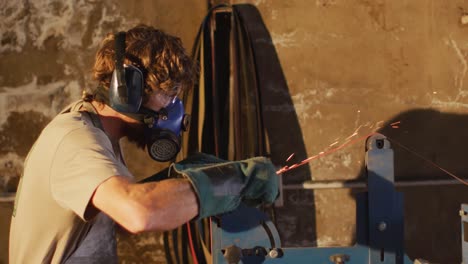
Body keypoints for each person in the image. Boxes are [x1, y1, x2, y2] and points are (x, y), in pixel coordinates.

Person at [9, 24, 279, 263]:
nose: (175, 110)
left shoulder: (98, 133)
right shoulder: (76, 140)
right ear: (128, 91)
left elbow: (117, 217)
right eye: (169, 95)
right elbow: (139, 215)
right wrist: (231, 181)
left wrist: (178, 181)